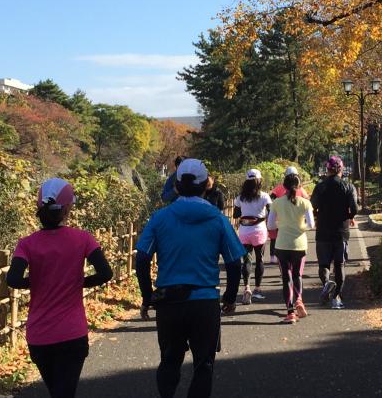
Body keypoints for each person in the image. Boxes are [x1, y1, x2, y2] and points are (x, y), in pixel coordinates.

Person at [134, 159, 245, 398]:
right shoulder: (217, 219)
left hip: (169, 303)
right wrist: (230, 297)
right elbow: (235, 262)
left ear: (176, 186)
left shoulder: (160, 217)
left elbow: (142, 259)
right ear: (206, 185)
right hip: (204, 301)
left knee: (169, 361)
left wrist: (147, 296)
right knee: (203, 365)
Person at [6, 178, 114, 398]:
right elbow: (106, 273)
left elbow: (13, 279)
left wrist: (38, 282)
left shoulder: (26, 243)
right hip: (72, 333)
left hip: (39, 335)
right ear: (66, 209)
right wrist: (77, 282)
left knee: (56, 391)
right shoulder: (83, 238)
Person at [266, 171, 315, 324]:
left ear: (284, 186)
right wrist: (300, 227)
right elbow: (311, 225)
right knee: (297, 275)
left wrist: (282, 225)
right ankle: (299, 300)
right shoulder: (305, 203)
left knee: (286, 278)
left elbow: (270, 225)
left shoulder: (276, 203)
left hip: (281, 244)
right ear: (299, 185)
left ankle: (290, 312)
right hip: (299, 244)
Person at [310, 156, 358, 310]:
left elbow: (313, 205)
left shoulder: (320, 186)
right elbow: (355, 208)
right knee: (340, 265)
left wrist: (319, 215)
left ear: (327, 170)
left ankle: (326, 285)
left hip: (323, 230)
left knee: (323, 265)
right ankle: (336, 298)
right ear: (341, 169)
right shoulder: (349, 187)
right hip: (341, 231)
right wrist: (349, 217)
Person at [233, 169, 272, 304]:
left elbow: (235, 215)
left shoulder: (240, 198)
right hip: (259, 230)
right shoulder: (264, 196)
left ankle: (246, 288)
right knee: (259, 260)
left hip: (244, 232)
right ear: (259, 181)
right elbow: (271, 212)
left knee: (247, 260)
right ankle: (257, 289)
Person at [267, 166, 310, 264]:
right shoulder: (301, 190)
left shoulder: (278, 188)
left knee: (275, 238)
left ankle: (273, 256)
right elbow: (307, 200)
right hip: (297, 223)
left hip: (280, 220)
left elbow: (271, 200)